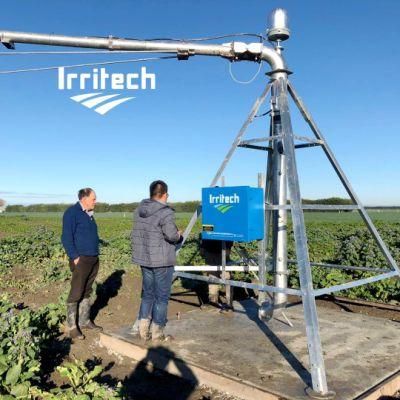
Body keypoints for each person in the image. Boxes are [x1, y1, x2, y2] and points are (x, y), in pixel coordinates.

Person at [131, 180, 183, 341]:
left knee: (147, 294)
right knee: (161, 297)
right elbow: (171, 235)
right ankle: (157, 332)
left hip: (145, 259)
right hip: (161, 261)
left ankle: (143, 329)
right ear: (164, 194)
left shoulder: (139, 210)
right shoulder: (165, 212)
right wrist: (179, 234)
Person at [61, 188, 102, 340]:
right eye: (93, 199)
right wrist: (74, 257)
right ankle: (72, 326)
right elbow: (66, 237)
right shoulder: (72, 213)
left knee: (87, 290)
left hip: (93, 258)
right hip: (81, 259)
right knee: (76, 291)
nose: (95, 202)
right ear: (84, 198)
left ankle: (84, 320)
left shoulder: (89, 214)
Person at [199, 237, 233, 305]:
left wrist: (228, 249)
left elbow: (229, 236)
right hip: (212, 255)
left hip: (219, 254)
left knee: (224, 278)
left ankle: (228, 303)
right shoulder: (208, 228)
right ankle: (215, 302)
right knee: (214, 279)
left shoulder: (212, 228)